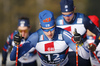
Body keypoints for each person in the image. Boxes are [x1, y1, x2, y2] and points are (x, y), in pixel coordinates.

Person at [10, 10, 95, 66]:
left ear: (55, 24)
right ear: (40, 26)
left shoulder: (64, 34)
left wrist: (80, 43)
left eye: (52, 28)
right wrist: (16, 45)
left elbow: (86, 56)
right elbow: (13, 58)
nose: (49, 33)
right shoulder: (35, 37)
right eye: (46, 30)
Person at [55, 0, 100, 66]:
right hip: (65, 57)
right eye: (64, 15)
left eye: (70, 14)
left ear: (74, 9)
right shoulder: (57, 21)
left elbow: (98, 33)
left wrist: (95, 44)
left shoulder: (83, 19)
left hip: (82, 55)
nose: (67, 18)